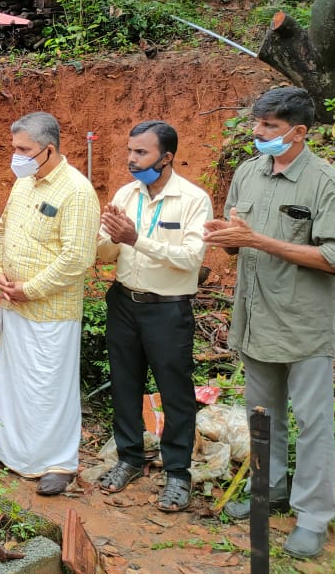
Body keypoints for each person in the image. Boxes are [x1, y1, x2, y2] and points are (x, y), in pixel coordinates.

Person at [204, 87, 335, 559]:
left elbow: (334, 255)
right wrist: (226, 237)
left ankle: (314, 516)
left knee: (314, 422)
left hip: (304, 323)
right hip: (255, 317)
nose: (258, 134)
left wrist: (258, 240)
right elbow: (236, 241)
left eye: (270, 127)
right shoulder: (248, 172)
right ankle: (268, 492)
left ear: (299, 132)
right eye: (257, 124)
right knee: (262, 418)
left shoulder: (326, 182)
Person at [94, 121, 212, 513]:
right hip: (124, 302)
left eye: (141, 153)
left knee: (175, 392)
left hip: (168, 308)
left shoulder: (193, 199)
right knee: (125, 384)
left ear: (167, 157)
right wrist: (110, 238)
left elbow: (192, 259)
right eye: (130, 151)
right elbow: (106, 253)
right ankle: (130, 457)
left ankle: (178, 473)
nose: (131, 159)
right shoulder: (126, 195)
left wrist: (135, 239)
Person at [0, 111, 100, 495]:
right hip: (13, 303)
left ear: (48, 149)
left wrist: (30, 289)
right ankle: (13, 450)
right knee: (14, 380)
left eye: (23, 149)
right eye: (14, 147)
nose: (15, 156)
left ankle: (57, 463)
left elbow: (78, 258)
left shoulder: (76, 191)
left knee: (48, 387)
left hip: (50, 311)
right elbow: (4, 230)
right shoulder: (24, 183)